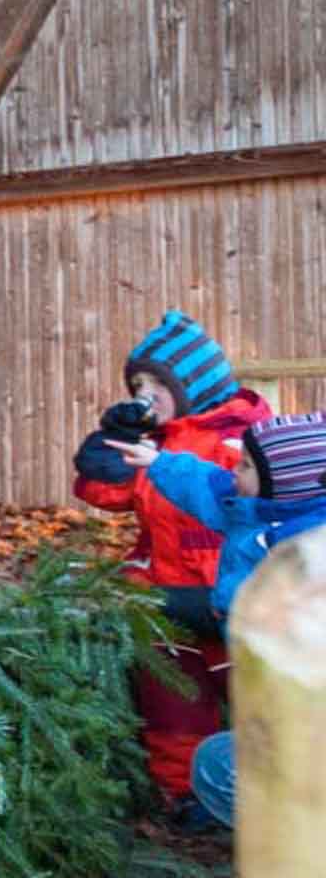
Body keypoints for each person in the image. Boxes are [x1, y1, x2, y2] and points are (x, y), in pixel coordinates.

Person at [73, 309, 268, 812]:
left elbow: (255, 503)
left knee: (255, 699)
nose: (144, 391)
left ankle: (268, 794)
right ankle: (186, 795)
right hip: (162, 598)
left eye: (156, 382)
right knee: (173, 701)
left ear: (195, 385)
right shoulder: (152, 441)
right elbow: (105, 491)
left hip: (226, 601)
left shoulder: (244, 441)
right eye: (137, 382)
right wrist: (106, 443)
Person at [123, 412, 326, 829]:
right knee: (217, 764)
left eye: (246, 465)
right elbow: (207, 487)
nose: (235, 470)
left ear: (288, 481)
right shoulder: (254, 510)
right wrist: (158, 462)